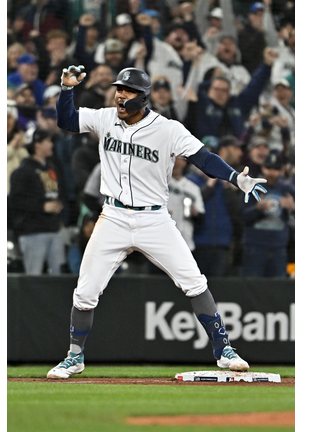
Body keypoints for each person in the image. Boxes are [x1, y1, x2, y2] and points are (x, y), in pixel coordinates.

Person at [47, 64, 268, 379]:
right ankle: (74, 356)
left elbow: (203, 158)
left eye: (127, 92)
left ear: (143, 97)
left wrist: (235, 177)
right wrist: (67, 90)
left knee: (194, 282)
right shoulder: (105, 117)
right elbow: (66, 120)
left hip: (155, 219)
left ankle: (224, 350)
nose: (120, 96)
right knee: (85, 292)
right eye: (118, 90)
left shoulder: (167, 129)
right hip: (113, 216)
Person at [7, 128, 66, 275]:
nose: (51, 144)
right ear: (37, 144)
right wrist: (42, 206)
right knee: (34, 276)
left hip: (53, 228)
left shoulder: (51, 168)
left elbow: (57, 193)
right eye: (47, 141)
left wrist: (59, 205)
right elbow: (15, 202)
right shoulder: (21, 172)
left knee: (59, 276)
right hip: (32, 231)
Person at [187, 136, 245, 277]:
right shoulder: (190, 181)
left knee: (219, 288)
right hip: (197, 243)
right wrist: (210, 184)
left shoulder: (224, 184)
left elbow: (236, 210)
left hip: (222, 244)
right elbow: (191, 206)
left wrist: (225, 185)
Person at [242, 152, 295, 277]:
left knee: (277, 290)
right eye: (269, 168)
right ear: (262, 168)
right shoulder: (251, 187)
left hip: (279, 247)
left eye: (276, 169)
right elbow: (243, 217)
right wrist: (257, 209)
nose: (272, 173)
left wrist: (293, 208)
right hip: (255, 245)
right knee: (253, 288)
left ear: (282, 170)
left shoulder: (288, 189)